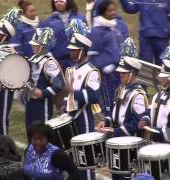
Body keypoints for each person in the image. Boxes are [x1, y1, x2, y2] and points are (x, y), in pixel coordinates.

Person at [97, 55, 149, 180]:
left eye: (123, 73)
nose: (120, 75)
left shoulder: (138, 96)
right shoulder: (121, 89)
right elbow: (115, 114)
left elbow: (136, 125)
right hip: (116, 142)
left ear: (132, 74)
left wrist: (116, 131)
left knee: (126, 177)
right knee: (116, 175)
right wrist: (106, 121)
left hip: (129, 145)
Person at [66, 32, 101, 180]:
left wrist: (74, 91)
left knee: (86, 160)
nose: (71, 52)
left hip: (84, 118)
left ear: (82, 51)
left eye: (74, 49)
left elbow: (94, 97)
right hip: (71, 117)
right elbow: (69, 97)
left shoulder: (91, 71)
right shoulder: (71, 69)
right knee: (74, 159)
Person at [24, 27, 65, 142]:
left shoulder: (50, 63)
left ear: (43, 45)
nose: (32, 46)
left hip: (42, 105)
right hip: (30, 103)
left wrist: (43, 93)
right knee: (30, 133)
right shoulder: (33, 58)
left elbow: (58, 85)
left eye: (35, 44)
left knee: (40, 136)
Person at [118, 0, 170, 66]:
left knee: (163, 64)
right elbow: (129, 8)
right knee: (145, 64)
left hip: (162, 38)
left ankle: (160, 76)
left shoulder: (168, 1)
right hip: (145, 38)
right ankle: (145, 75)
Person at [89, 0, 122, 117]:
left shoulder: (113, 27)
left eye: (114, 10)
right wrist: (104, 67)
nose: (113, 13)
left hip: (118, 71)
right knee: (109, 100)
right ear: (102, 12)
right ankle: (108, 121)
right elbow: (92, 53)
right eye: (110, 10)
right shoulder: (96, 31)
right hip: (107, 74)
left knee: (119, 98)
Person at [45, 0, 87, 71]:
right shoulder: (50, 20)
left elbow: (86, 37)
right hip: (59, 61)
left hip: (78, 59)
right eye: (56, 2)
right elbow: (47, 40)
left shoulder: (79, 17)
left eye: (61, 1)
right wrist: (50, 54)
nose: (58, 4)